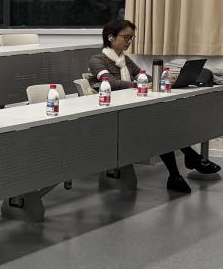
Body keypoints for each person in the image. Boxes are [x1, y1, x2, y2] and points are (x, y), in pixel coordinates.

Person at [88, 19, 220, 193]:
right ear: (111, 37)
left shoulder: (125, 60)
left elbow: (145, 77)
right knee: (160, 126)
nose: (129, 41)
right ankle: (189, 160)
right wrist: (141, 85)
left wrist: (164, 78)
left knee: (162, 124)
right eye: (126, 37)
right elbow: (111, 83)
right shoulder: (97, 60)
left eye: (132, 38)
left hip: (131, 108)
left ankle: (179, 171)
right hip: (114, 114)